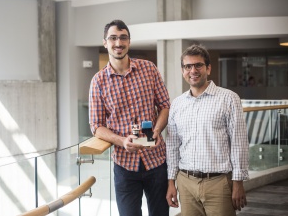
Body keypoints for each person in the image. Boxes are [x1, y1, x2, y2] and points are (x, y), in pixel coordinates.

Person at [89, 19, 170, 216]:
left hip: (156, 161)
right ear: (105, 42)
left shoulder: (149, 69)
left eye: (123, 38)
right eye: (113, 38)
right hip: (124, 165)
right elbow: (96, 126)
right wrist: (122, 141)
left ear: (129, 42)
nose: (118, 43)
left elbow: (165, 106)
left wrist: (157, 130)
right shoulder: (98, 81)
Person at [166, 44, 249, 216]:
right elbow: (172, 147)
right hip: (186, 183)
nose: (193, 70)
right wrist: (171, 182)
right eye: (188, 66)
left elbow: (239, 144)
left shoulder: (229, 98)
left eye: (198, 65)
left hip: (219, 184)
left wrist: (238, 183)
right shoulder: (177, 104)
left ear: (208, 68)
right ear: (183, 71)